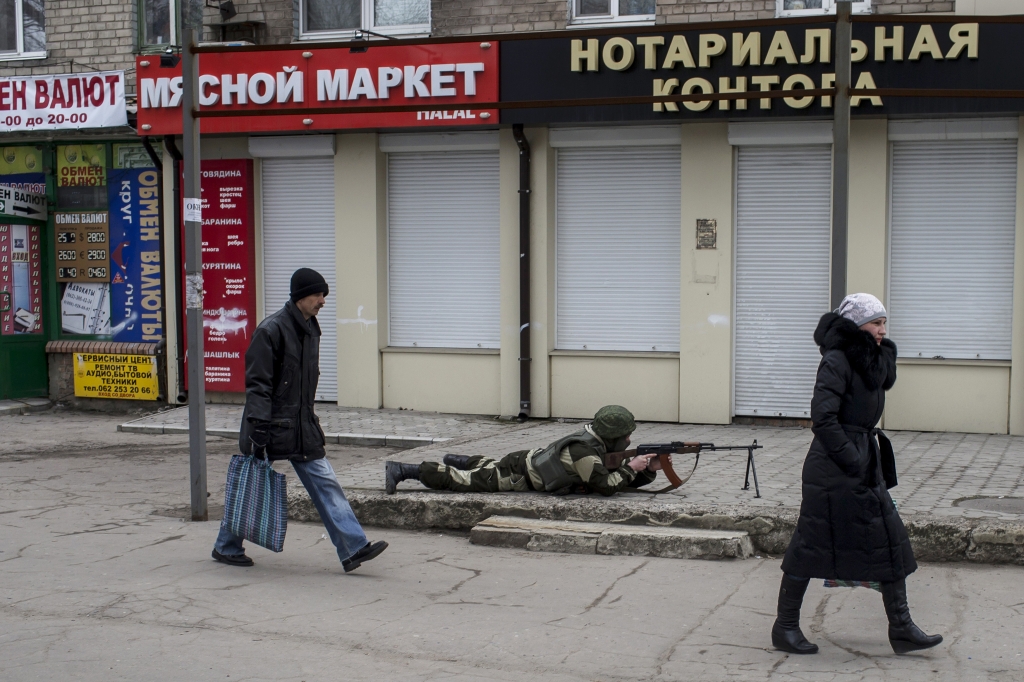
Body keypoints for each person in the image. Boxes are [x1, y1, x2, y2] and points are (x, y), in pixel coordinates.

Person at [772, 293, 942, 655]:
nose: (883, 330)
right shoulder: (837, 359)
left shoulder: (870, 360)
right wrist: (851, 458)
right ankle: (784, 627)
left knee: (890, 541)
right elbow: (823, 417)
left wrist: (862, 459)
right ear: (856, 324)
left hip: (862, 464)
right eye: (877, 323)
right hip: (834, 469)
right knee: (809, 545)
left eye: (884, 323)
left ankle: (902, 628)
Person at [212, 268, 388, 573]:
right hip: (268, 427)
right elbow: (258, 385)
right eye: (318, 295)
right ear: (300, 297)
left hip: (301, 426)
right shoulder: (271, 330)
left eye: (324, 295)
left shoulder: (310, 328)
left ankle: (353, 548)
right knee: (251, 487)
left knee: (325, 483)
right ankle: (226, 546)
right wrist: (258, 431)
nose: (323, 301)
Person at [384, 405, 667, 496]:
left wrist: (649, 470)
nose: (630, 440)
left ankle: (464, 459)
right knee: (462, 480)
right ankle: (406, 470)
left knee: (489, 465)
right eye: (627, 436)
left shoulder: (593, 442)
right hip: (518, 475)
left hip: (522, 461)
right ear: (613, 437)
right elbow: (605, 485)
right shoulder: (585, 452)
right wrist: (633, 468)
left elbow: (614, 476)